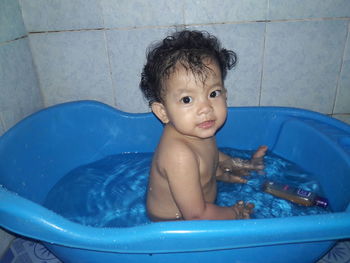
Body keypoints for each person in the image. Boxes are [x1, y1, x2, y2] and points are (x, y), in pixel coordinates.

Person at [139, 30, 267, 222]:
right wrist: (235, 213)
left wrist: (236, 166)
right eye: (187, 99)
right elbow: (196, 215)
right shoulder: (178, 155)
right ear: (163, 112)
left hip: (198, 210)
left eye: (213, 93)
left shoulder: (197, 128)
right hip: (175, 225)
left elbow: (209, 157)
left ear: (225, 93)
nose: (206, 108)